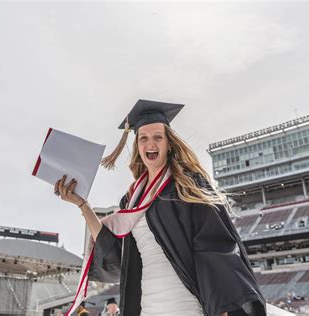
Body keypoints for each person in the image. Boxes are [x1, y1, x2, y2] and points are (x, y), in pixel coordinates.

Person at [56, 100, 266, 316]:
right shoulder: (131, 199)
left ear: (169, 144)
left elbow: (214, 246)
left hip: (184, 305)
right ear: (137, 146)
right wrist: (82, 204)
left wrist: (222, 308)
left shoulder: (187, 185)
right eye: (143, 138)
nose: (150, 144)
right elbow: (118, 256)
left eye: (158, 137)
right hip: (147, 307)